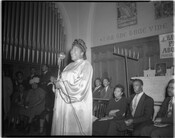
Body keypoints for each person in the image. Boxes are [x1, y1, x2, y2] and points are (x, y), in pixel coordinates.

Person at [51, 39, 93, 135]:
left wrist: (61, 85)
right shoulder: (68, 66)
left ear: (82, 53)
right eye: (71, 50)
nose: (71, 52)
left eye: (75, 50)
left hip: (75, 106)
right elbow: (61, 83)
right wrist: (56, 84)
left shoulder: (86, 65)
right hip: (64, 104)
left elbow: (81, 89)